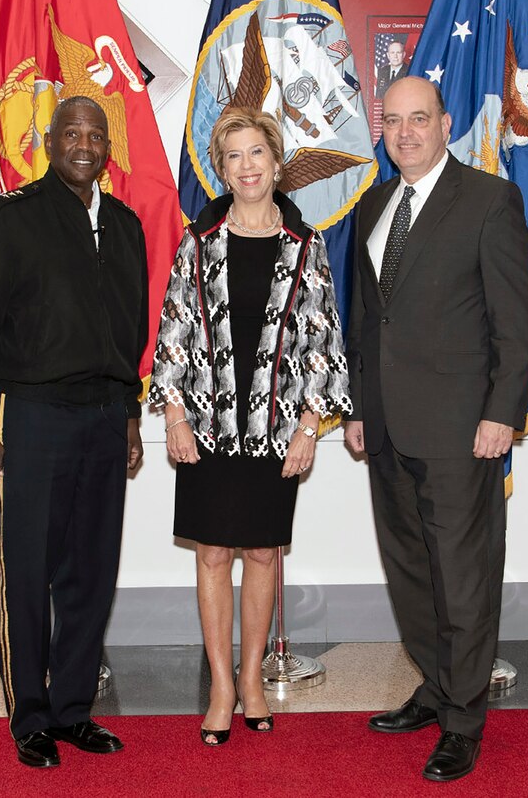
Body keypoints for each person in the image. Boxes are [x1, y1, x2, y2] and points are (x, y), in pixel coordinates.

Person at [0, 96, 147, 768]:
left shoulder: (125, 225)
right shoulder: (10, 221)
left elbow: (131, 335)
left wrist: (131, 414)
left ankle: (74, 710)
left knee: (91, 571)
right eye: (71, 133)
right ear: (49, 141)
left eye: (95, 134)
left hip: (103, 419)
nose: (83, 144)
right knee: (27, 573)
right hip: (25, 417)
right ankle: (29, 715)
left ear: (107, 145)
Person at [344, 76, 528, 782]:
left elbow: (516, 323)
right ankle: (436, 683)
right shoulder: (371, 204)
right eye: (393, 120)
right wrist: (360, 407)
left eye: (419, 118)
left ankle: (464, 717)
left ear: (445, 122)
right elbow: (367, 320)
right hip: (389, 426)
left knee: (462, 576)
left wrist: (502, 411)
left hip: (463, 427)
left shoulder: (489, 200)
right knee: (412, 572)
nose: (405, 132)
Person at [149, 107, 350, 747]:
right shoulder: (197, 241)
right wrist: (175, 415)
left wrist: (310, 427)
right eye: (233, 156)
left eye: (257, 152)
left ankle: (255, 680)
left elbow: (323, 339)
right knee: (212, 554)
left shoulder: (305, 244)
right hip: (206, 427)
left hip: (276, 427)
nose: (247, 166)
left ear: (276, 159)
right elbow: (173, 333)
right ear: (222, 168)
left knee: (263, 552)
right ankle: (221, 687)